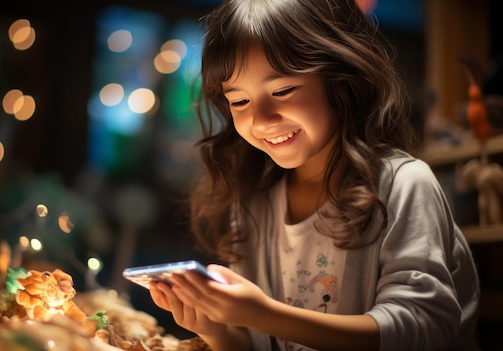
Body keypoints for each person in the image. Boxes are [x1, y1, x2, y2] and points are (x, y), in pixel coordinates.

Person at [148, 0, 480, 350]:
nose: (261, 119)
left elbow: (423, 329)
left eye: (282, 91)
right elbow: (255, 343)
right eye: (240, 102)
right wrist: (217, 330)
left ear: (341, 79)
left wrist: (264, 314)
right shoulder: (252, 205)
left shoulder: (404, 185)